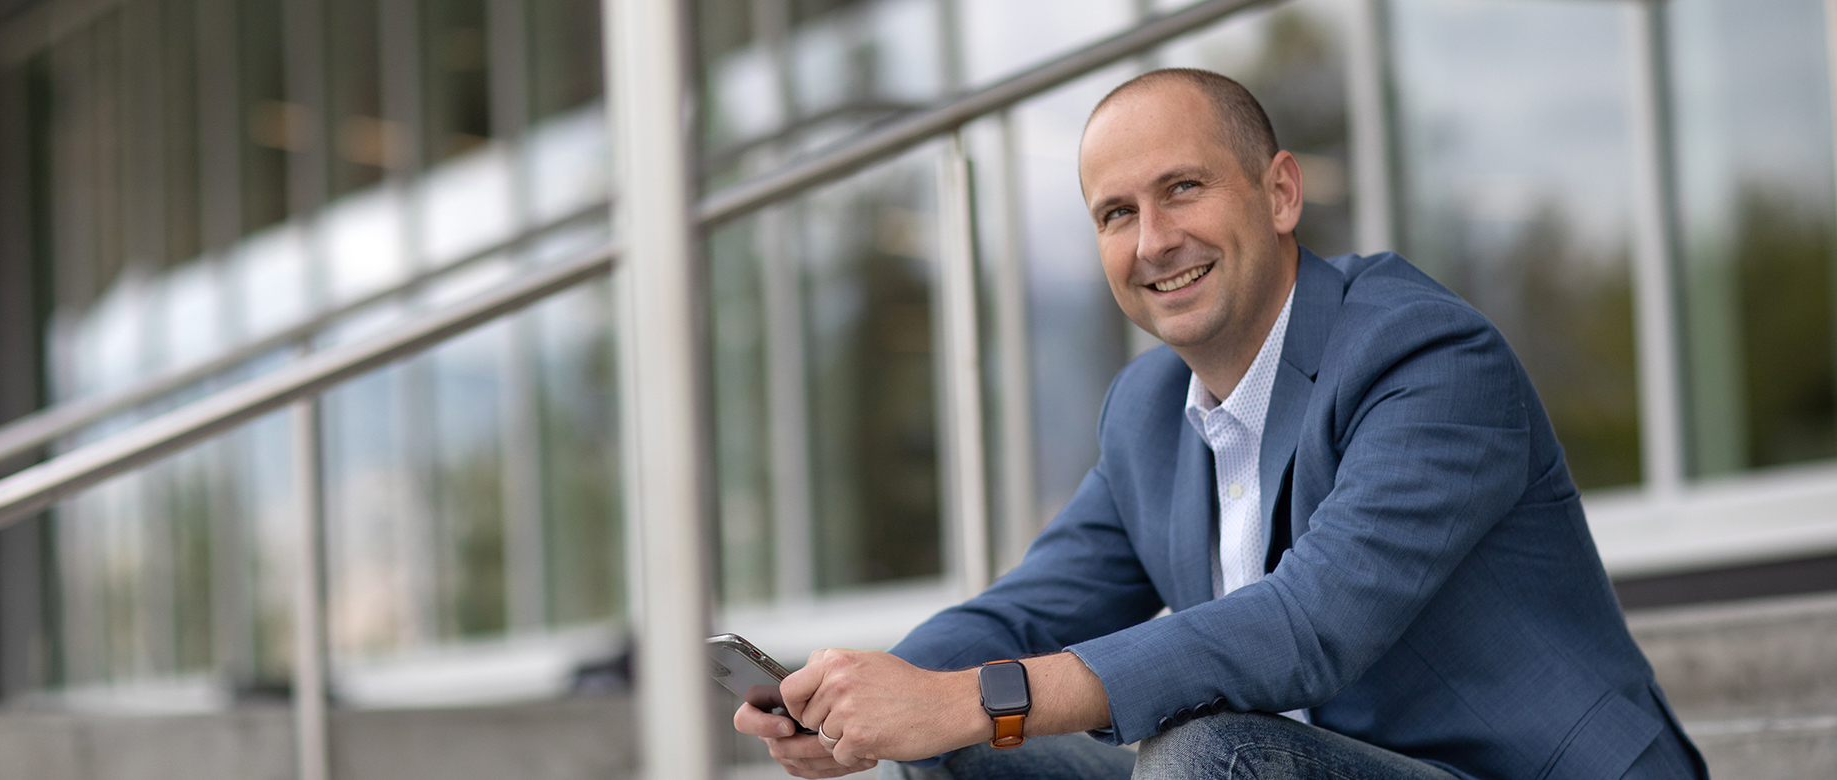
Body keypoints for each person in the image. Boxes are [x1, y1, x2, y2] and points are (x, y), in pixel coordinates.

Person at [732, 68, 1708, 780]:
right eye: (1116, 213)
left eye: (1182, 189)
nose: (1154, 241)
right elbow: (1024, 613)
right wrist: (869, 691)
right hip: (1305, 766)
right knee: (957, 755)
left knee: (1203, 754)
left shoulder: (1429, 358)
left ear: (1281, 191)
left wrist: (975, 699)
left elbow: (1306, 624)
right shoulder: (1150, 413)